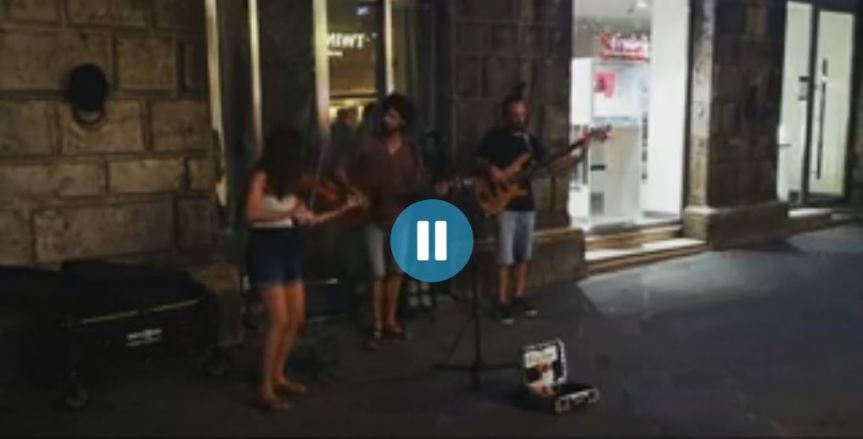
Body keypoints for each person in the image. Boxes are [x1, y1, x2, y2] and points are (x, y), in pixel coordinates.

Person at [245, 127, 361, 411]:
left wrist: (344, 208)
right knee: (279, 321)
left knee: (297, 318)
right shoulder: (261, 177)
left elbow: (310, 220)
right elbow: (251, 213)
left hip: (289, 248)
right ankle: (265, 388)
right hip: (267, 248)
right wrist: (287, 212)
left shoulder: (293, 185)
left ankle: (279, 373)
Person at [350, 93, 428, 350]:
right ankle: (376, 325)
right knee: (376, 273)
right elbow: (342, 170)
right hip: (372, 217)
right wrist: (356, 192)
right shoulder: (369, 145)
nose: (386, 120)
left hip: (400, 217)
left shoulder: (411, 151)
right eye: (386, 114)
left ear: (403, 121)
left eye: (392, 116)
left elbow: (419, 182)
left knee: (396, 272)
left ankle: (390, 319)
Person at [475, 91, 547, 326]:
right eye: (514, 114)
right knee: (504, 256)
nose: (519, 118)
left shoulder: (530, 140)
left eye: (522, 114)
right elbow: (479, 159)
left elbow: (544, 161)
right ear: (506, 115)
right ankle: (502, 301)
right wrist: (492, 169)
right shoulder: (494, 136)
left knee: (523, 254)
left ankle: (519, 296)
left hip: (525, 202)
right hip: (503, 203)